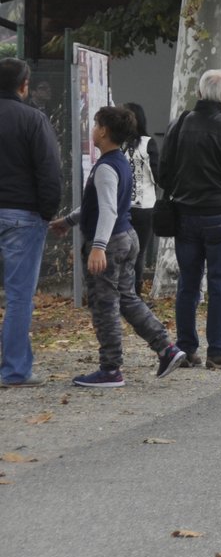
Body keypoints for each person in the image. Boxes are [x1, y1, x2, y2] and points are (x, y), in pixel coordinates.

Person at [50, 106, 185, 386]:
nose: (93, 129)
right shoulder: (118, 161)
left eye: (96, 124)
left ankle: (110, 368)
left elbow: (108, 209)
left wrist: (97, 247)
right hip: (127, 237)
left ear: (104, 131)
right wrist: (70, 220)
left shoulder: (106, 168)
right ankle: (166, 348)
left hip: (110, 243)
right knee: (126, 299)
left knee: (104, 305)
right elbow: (95, 205)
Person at [160, 69, 221, 369]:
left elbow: (163, 173)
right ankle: (219, 349)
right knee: (219, 284)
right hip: (220, 215)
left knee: (188, 283)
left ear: (199, 93)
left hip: (185, 213)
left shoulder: (179, 126)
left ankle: (186, 347)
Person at [0, 59, 64, 387]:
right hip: (22, 215)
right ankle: (14, 370)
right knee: (18, 296)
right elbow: (48, 169)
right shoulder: (33, 120)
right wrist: (47, 211)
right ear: (24, 84)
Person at [123, 102, 159, 296]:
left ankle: (122, 292)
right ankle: (135, 295)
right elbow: (157, 175)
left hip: (120, 206)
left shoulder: (117, 143)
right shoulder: (147, 143)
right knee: (139, 252)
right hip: (144, 206)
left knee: (121, 251)